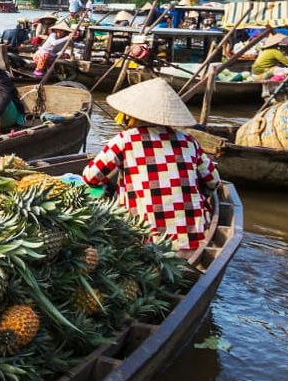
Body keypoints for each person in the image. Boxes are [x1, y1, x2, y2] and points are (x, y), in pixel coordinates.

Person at [83, 78, 220, 251]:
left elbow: (90, 177)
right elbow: (214, 182)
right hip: (190, 242)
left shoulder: (125, 139)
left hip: (142, 244)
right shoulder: (188, 140)